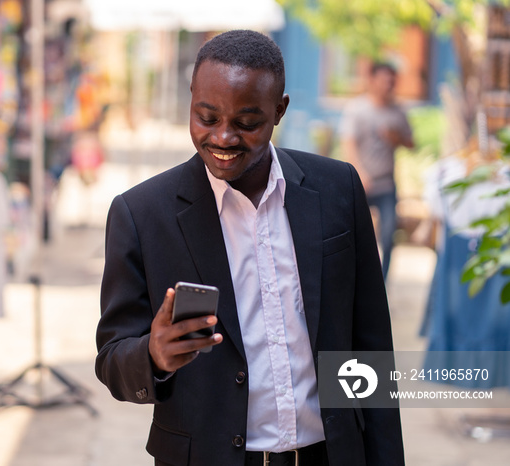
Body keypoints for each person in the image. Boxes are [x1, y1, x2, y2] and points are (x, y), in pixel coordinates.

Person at [96, 30, 403, 466]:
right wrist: (153, 355)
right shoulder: (141, 214)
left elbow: (370, 346)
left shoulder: (338, 188)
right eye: (206, 117)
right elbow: (111, 360)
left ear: (279, 110)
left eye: (247, 122)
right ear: (190, 101)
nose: (223, 138)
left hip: (330, 455)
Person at [340, 63, 414, 280]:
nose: (388, 85)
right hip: (360, 182)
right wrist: (360, 174)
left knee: (389, 236)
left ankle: (382, 282)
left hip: (387, 184)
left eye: (392, 81)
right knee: (351, 234)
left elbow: (411, 143)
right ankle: (351, 279)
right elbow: (349, 143)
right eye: (384, 80)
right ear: (371, 80)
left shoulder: (399, 111)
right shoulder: (357, 109)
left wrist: (396, 138)